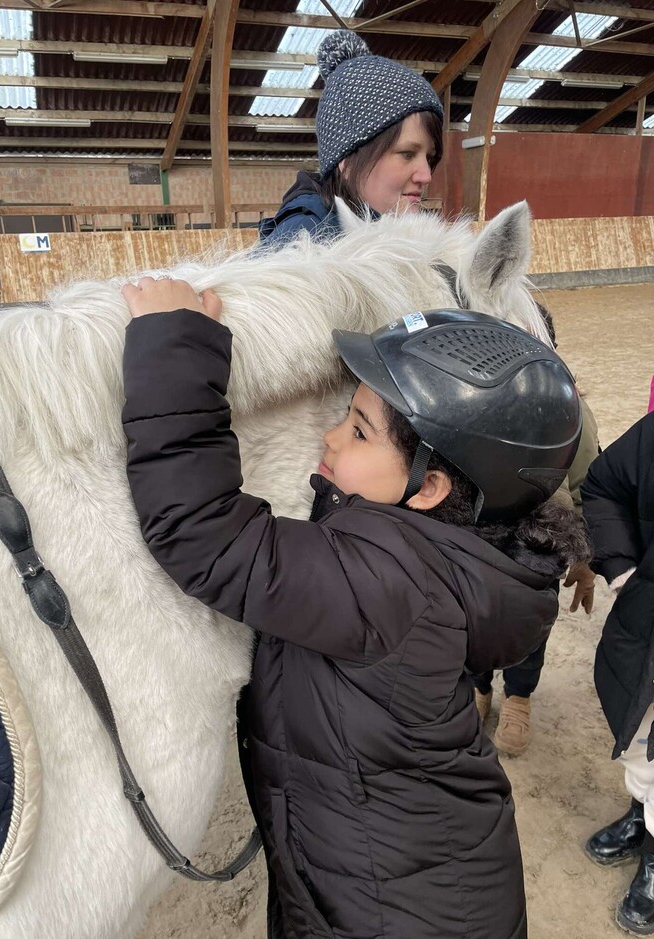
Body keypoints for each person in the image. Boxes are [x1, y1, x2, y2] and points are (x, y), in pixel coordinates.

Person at [120, 275, 590, 938]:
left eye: (360, 430)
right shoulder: (439, 554)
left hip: (400, 912)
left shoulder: (396, 585)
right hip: (382, 881)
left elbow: (204, 535)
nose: (331, 439)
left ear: (430, 487)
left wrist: (174, 346)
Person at [470, 300, 600, 756]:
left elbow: (586, 487)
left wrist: (584, 560)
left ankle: (520, 697)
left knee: (528, 627)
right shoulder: (467, 403)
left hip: (538, 550)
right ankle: (480, 687)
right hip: (475, 546)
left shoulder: (572, 416)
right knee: (474, 622)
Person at [259, 30, 444, 247]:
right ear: (347, 161)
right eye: (407, 153)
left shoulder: (391, 229)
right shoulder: (303, 240)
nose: (426, 175)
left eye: (429, 158)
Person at [581, 412, 654, 936]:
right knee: (640, 733)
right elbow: (603, 482)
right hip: (645, 630)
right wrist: (624, 571)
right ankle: (643, 810)